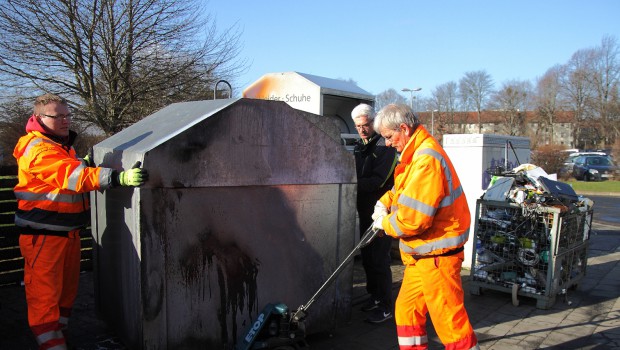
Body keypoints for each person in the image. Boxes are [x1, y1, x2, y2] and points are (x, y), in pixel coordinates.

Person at [13, 93, 148, 349]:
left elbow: (69, 168)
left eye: (67, 115)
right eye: (58, 116)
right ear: (39, 118)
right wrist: (118, 178)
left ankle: (61, 338)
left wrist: (81, 162)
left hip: (66, 233)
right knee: (45, 299)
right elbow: (69, 176)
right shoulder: (38, 148)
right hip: (43, 236)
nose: (65, 121)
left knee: (64, 296)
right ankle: (52, 344)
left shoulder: (60, 145)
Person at [371, 104, 479, 349]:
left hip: (437, 257)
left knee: (450, 325)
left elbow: (412, 220)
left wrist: (384, 223)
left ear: (404, 129)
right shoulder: (415, 154)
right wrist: (383, 202)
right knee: (407, 311)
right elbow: (403, 192)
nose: (387, 143)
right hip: (424, 255)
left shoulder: (425, 159)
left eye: (389, 137)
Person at [350, 103, 398, 324]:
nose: (362, 129)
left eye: (366, 125)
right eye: (358, 126)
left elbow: (378, 181)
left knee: (379, 260)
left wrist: (351, 184)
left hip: (381, 212)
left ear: (373, 122)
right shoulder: (361, 147)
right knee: (367, 259)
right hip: (364, 210)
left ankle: (387, 305)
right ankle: (375, 297)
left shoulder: (385, 147)